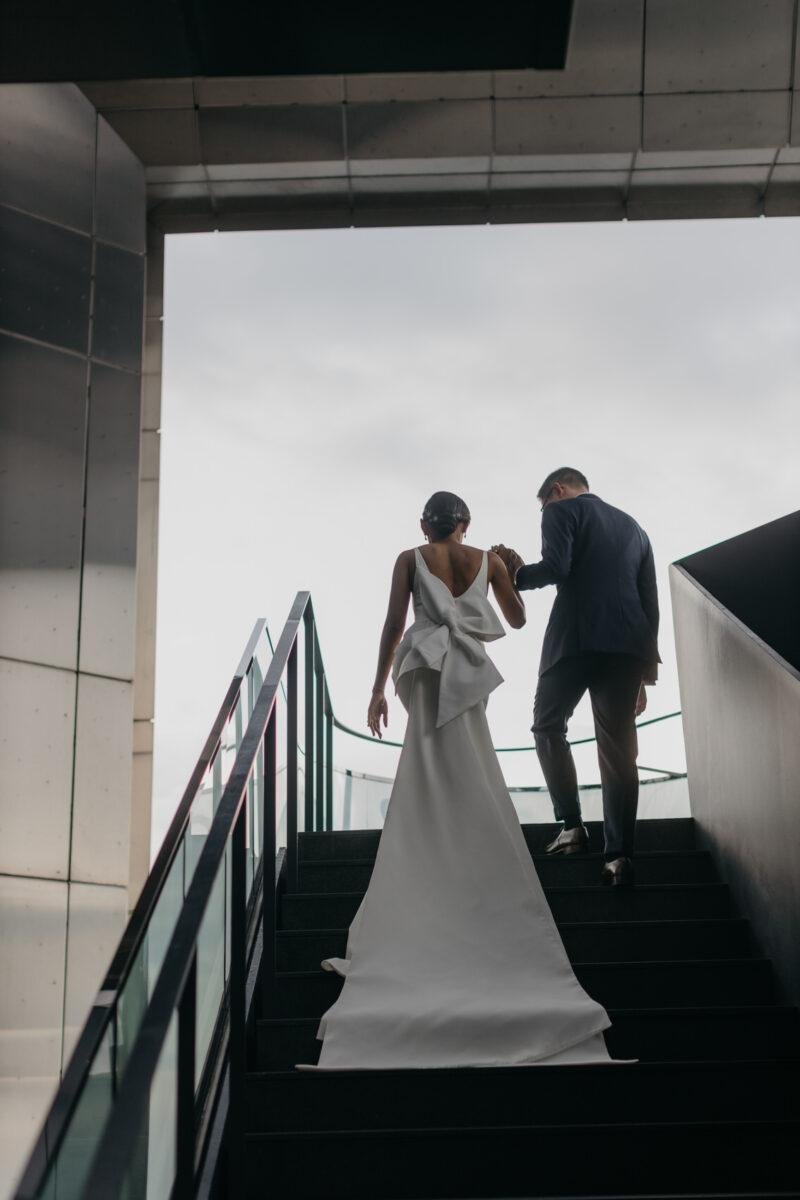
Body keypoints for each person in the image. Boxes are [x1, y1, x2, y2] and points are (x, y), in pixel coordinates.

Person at [296, 490, 625, 1071]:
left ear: (425, 524)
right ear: (466, 524)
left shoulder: (409, 556)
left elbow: (395, 623)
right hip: (466, 671)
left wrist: (376, 689)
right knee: (474, 762)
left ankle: (429, 850)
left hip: (427, 670)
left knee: (423, 766)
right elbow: (518, 619)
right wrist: (509, 568)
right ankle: (470, 845)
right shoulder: (490, 560)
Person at [493, 468, 660, 889]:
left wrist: (515, 574)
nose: (547, 509)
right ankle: (619, 856)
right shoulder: (635, 529)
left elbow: (556, 567)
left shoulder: (560, 510)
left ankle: (571, 826)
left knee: (547, 725)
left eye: (546, 502)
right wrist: (646, 672)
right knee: (619, 750)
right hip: (627, 648)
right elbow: (649, 601)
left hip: (575, 641)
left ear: (557, 490)